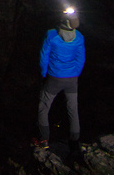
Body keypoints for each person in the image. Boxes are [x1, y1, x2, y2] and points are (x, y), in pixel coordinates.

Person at [35, 8, 85, 152]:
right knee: (73, 110)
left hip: (54, 78)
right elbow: (81, 59)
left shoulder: (51, 35)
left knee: (43, 108)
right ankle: (74, 143)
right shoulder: (80, 37)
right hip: (72, 79)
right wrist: (75, 74)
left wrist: (44, 73)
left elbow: (44, 57)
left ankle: (43, 140)